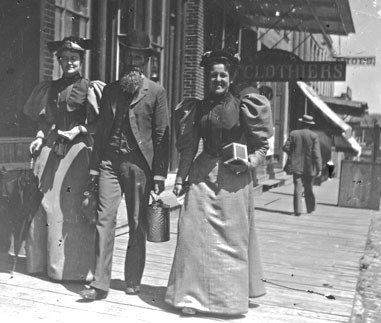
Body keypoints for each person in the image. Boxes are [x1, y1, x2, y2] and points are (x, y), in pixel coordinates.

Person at [165, 49, 273, 316]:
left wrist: (250, 163)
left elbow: (261, 146)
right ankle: (190, 299)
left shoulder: (245, 105)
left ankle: (227, 302)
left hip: (234, 179)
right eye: (213, 75)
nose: (218, 79)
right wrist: (180, 178)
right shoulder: (196, 108)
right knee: (192, 235)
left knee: (230, 240)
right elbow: (189, 147)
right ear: (206, 77)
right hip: (203, 174)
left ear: (230, 77)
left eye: (223, 75)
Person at [79, 30, 170, 301]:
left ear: (145, 61)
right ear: (124, 57)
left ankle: (132, 278)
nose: (133, 61)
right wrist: (95, 167)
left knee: (136, 223)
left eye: (138, 57)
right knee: (104, 220)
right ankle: (99, 283)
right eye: (130, 55)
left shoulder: (156, 92)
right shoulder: (111, 90)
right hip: (109, 162)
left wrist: (159, 175)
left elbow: (162, 136)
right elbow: (103, 130)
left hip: (138, 165)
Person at [24, 37, 105, 281]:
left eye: (74, 58)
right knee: (46, 203)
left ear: (81, 61)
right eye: (65, 58)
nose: (69, 62)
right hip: (53, 147)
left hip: (77, 150)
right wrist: (39, 137)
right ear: (59, 61)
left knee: (72, 205)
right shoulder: (50, 88)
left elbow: (97, 122)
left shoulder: (91, 88)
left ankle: (74, 269)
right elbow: (44, 120)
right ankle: (45, 264)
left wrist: (79, 130)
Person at [283, 114, 322, 216]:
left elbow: (286, 148)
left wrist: (293, 153)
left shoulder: (293, 133)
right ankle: (310, 208)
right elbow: (316, 153)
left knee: (297, 187)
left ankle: (298, 210)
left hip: (296, 166)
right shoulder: (314, 136)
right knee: (309, 187)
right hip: (309, 167)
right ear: (310, 125)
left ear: (301, 123)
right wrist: (319, 168)